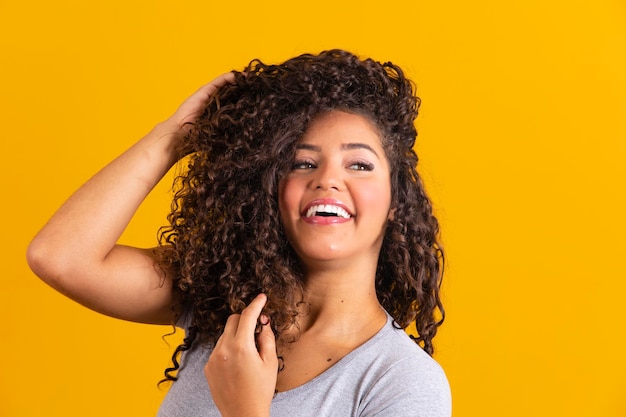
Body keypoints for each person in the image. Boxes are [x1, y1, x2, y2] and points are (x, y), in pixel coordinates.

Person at [27, 49, 451, 416]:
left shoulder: (402, 382)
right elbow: (60, 257)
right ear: (272, 191)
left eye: (359, 165)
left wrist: (245, 409)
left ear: (396, 202)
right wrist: (173, 137)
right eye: (301, 163)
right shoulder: (221, 301)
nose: (328, 180)